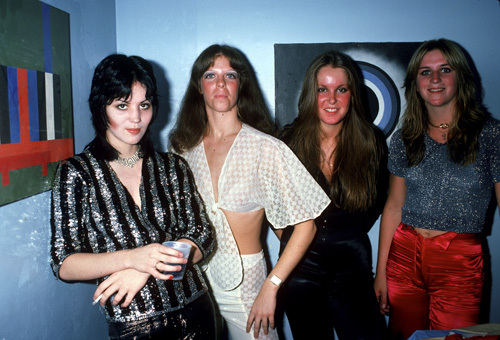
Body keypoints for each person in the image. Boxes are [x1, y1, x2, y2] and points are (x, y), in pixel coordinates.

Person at [169, 44, 330, 340]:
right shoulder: (181, 149)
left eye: (229, 75)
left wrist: (272, 286)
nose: (220, 83)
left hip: (248, 289)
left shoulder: (266, 148)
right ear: (198, 86)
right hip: (193, 284)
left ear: (241, 84)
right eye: (210, 75)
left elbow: (306, 226)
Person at [50, 54, 216, 340]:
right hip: (133, 326)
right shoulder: (76, 173)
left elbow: (203, 236)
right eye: (122, 106)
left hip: (197, 311)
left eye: (144, 105)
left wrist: (147, 269)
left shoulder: (172, 166)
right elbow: (63, 262)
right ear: (101, 107)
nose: (136, 118)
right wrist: (133, 258)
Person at [374, 38, 500, 340]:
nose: (434, 79)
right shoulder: (406, 137)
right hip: (403, 257)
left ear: (461, 77)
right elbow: (393, 206)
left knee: (454, 338)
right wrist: (380, 273)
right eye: (424, 72)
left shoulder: (491, 134)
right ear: (415, 83)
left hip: (459, 263)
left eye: (444, 70)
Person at [278, 51, 388, 340]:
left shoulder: (371, 142)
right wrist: (293, 241)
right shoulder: (286, 142)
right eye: (322, 90)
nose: (332, 99)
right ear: (309, 94)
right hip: (300, 269)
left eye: (341, 89)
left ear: (352, 94)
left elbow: (374, 205)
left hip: (353, 268)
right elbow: (272, 207)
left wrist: (341, 237)